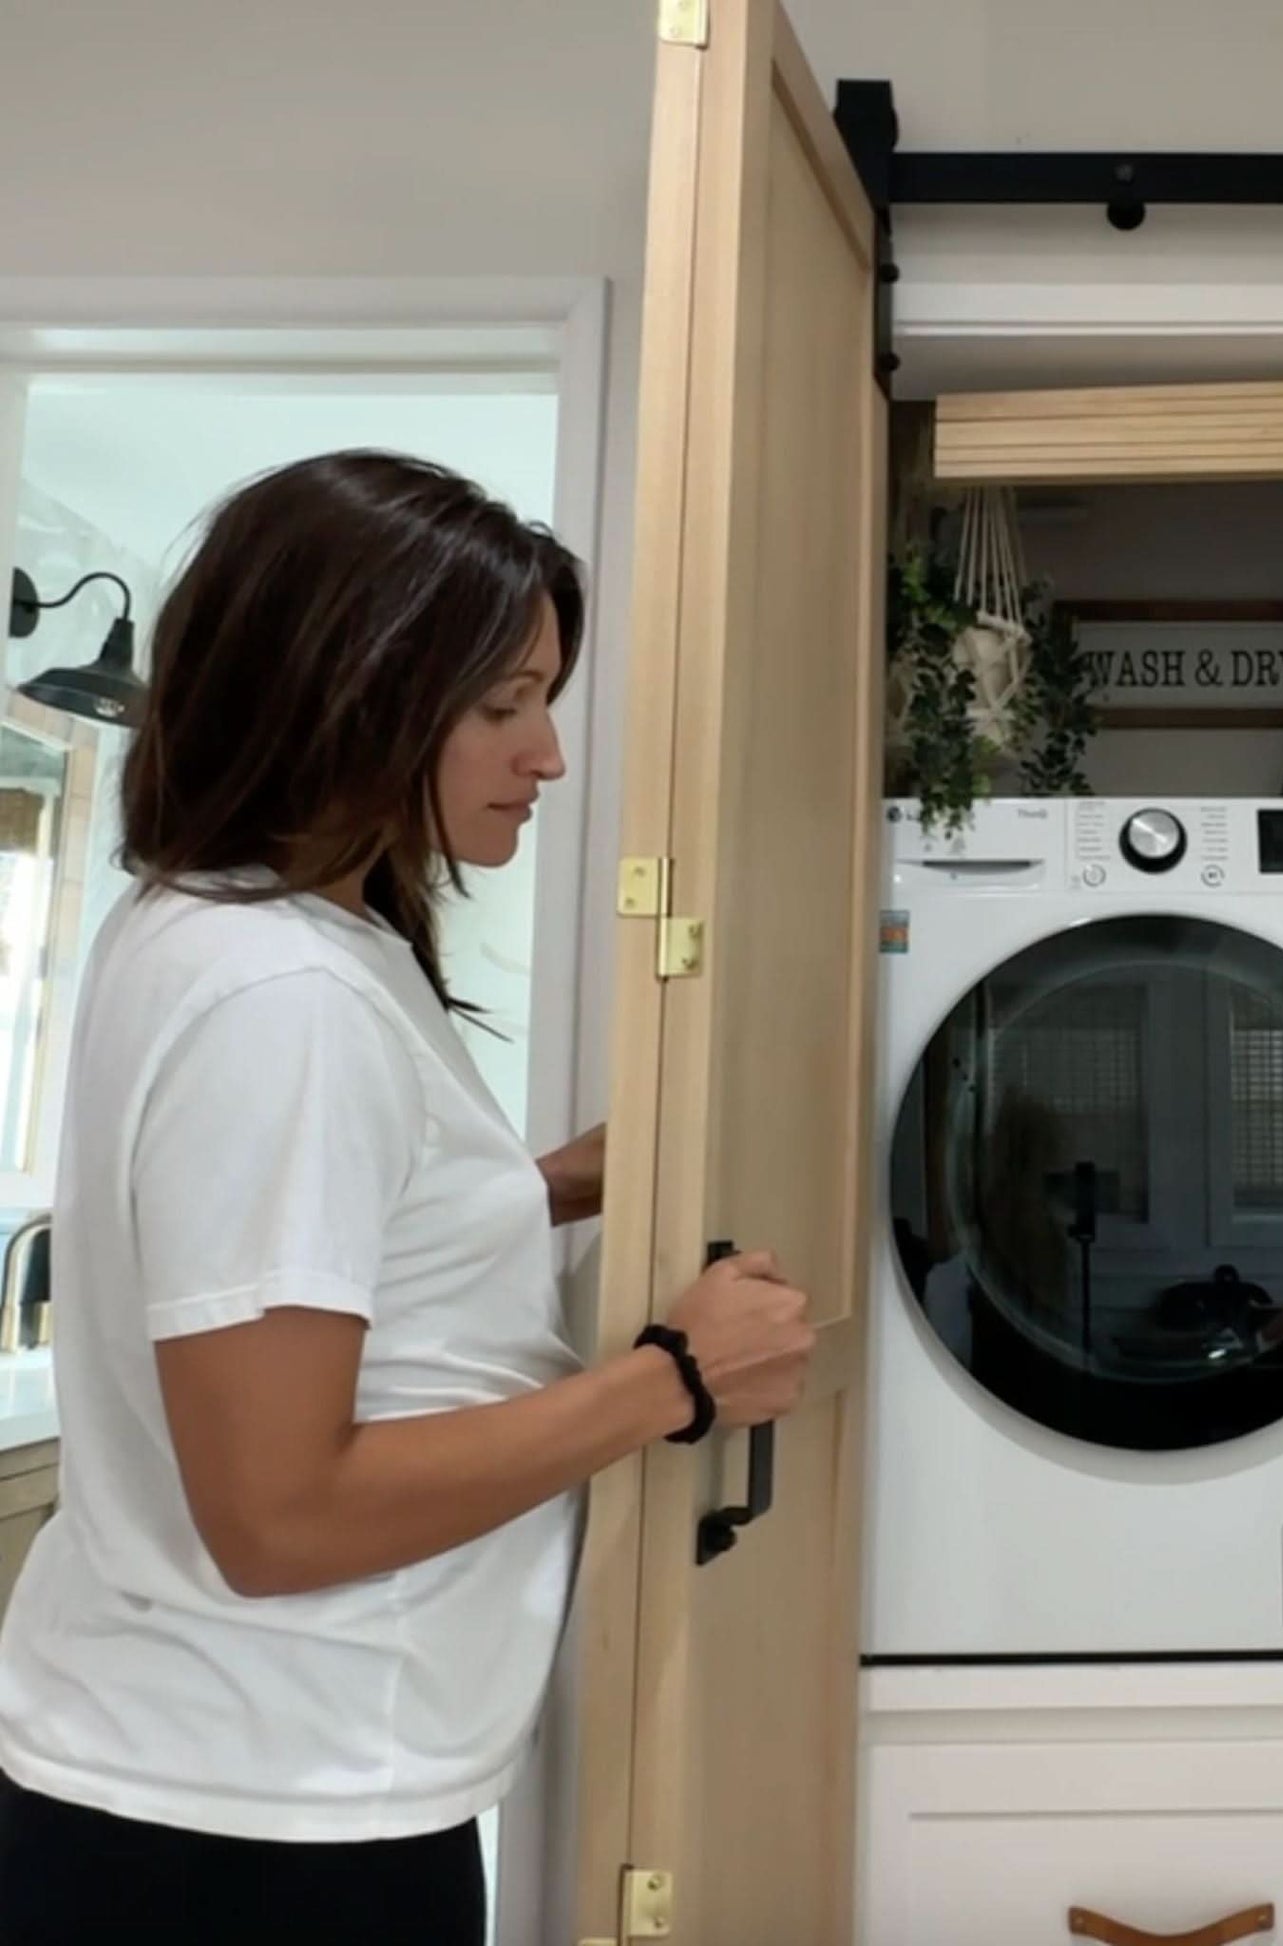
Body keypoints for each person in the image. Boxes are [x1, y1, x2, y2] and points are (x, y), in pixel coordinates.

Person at [0, 452, 816, 1946]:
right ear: (349, 687)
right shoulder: (280, 993)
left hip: (230, 1784)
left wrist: (537, 1189)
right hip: (249, 1827)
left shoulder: (239, 921)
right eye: (504, 703)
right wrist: (674, 1381)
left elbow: (310, 1233)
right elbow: (278, 1512)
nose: (549, 754)